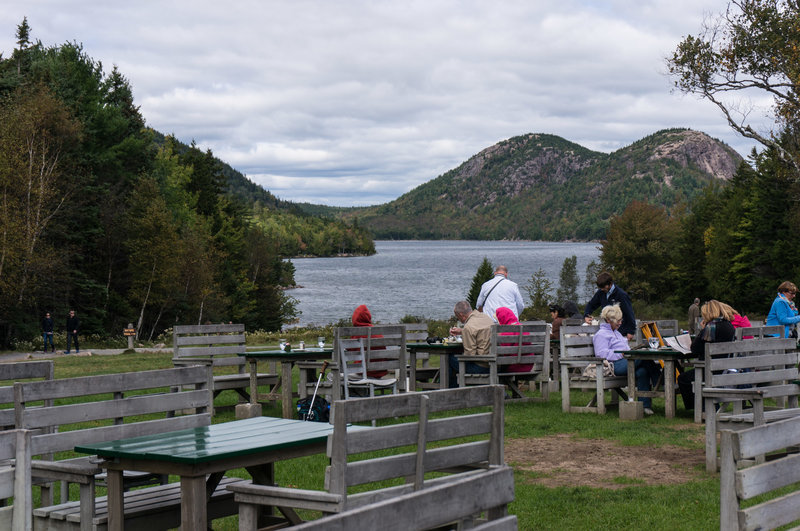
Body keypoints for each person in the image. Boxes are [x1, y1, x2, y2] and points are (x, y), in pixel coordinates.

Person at [592, 304, 660, 415]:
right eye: (618, 321)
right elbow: (601, 354)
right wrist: (621, 354)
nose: (620, 322)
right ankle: (660, 382)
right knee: (643, 357)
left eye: (620, 320)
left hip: (626, 361)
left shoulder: (617, 333)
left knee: (642, 371)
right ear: (609, 320)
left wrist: (627, 351)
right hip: (614, 366)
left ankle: (644, 406)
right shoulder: (601, 335)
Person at [677, 300, 736, 410]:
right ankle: (710, 406)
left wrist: (702, 330)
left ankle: (699, 408)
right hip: (724, 369)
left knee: (682, 378)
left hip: (710, 370)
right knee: (688, 376)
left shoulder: (711, 328)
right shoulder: (729, 326)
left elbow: (695, 349)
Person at [448, 300, 494, 387]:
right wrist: (462, 332)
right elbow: (479, 332)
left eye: (457, 316)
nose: (458, 319)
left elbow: (470, 355)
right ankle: (453, 388)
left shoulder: (468, 327)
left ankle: (448, 389)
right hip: (496, 364)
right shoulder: (486, 318)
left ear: (461, 315)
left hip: (482, 367)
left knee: (449, 358)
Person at [583, 272, 636, 339]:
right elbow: (591, 304)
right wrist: (587, 314)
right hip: (609, 332)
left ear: (610, 284)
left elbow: (629, 313)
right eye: (600, 287)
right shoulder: (601, 293)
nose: (602, 289)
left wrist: (631, 331)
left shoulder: (621, 295)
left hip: (622, 332)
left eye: (603, 287)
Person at [351, 304, 387, 378]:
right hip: (379, 372)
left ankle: (357, 389)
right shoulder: (378, 333)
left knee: (335, 376)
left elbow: (350, 352)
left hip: (362, 373)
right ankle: (359, 389)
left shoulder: (357, 333)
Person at [496, 306, 533, 372]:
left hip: (513, 366)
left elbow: (503, 352)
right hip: (528, 365)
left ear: (502, 318)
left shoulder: (507, 331)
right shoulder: (522, 327)